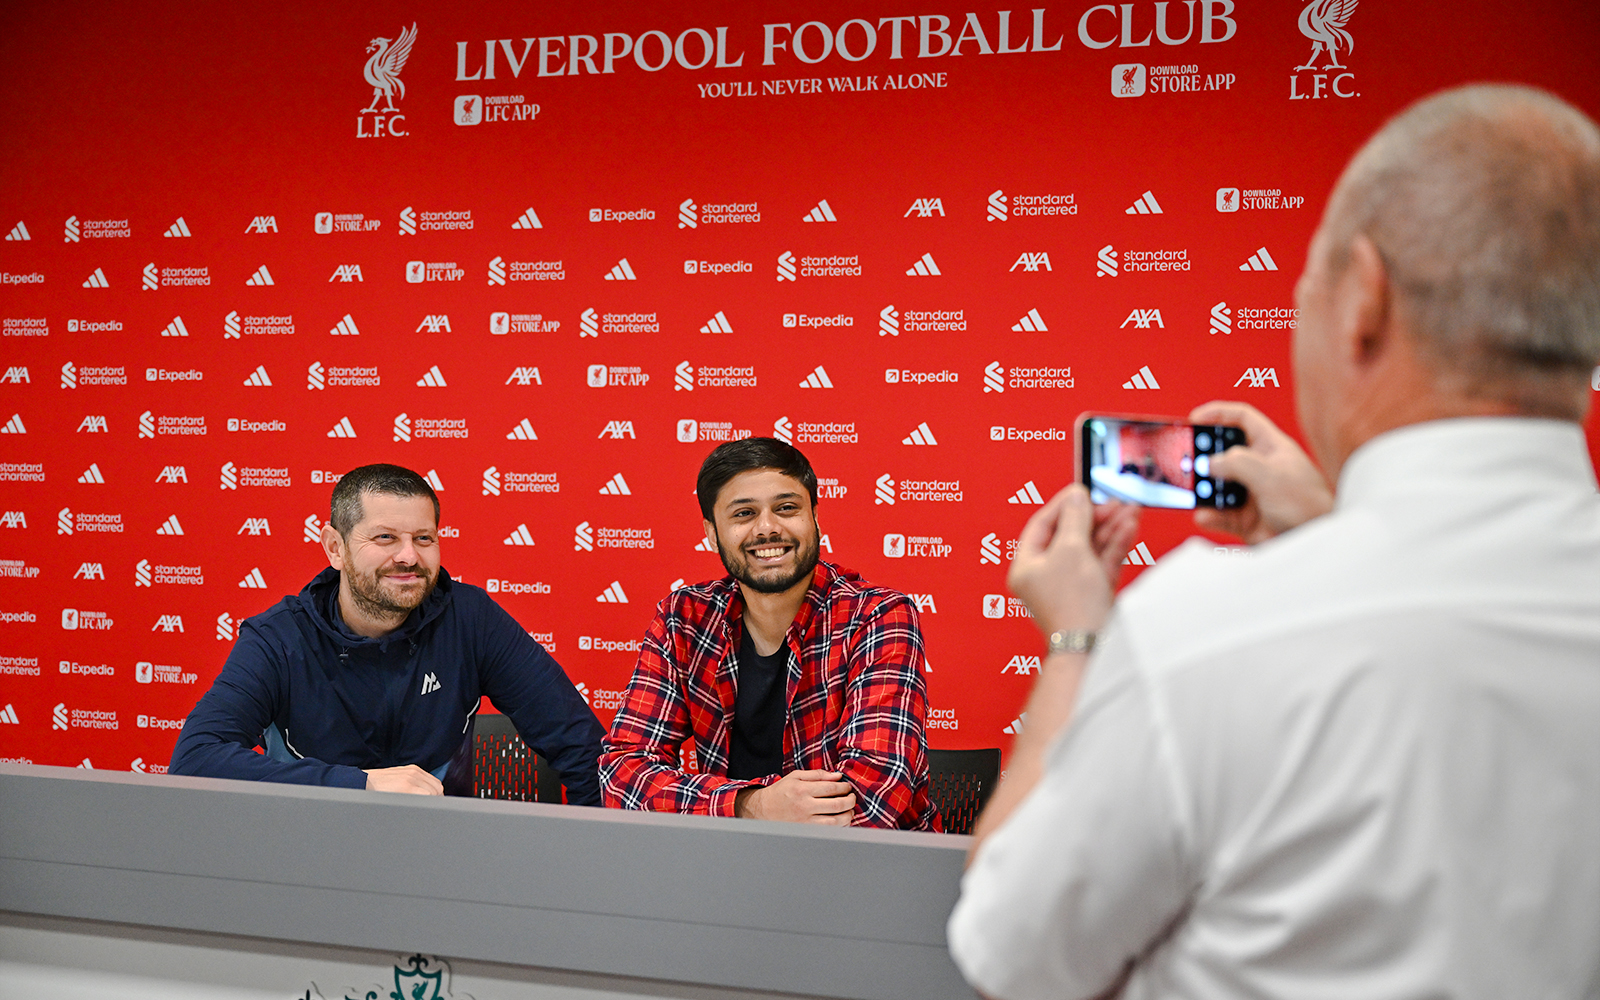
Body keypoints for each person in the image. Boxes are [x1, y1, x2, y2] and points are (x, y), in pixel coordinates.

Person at [948, 83, 1600, 998]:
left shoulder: (1207, 627)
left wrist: (1076, 641)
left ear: (1362, 299)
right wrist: (1333, 522)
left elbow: (1012, 957)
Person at [171, 463, 605, 801]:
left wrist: (597, 858)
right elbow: (195, 760)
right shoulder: (278, 638)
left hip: (438, 859)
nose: (407, 556)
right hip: (305, 853)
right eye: (384, 537)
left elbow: (582, 747)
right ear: (335, 548)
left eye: (424, 538)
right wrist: (358, 785)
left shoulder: (471, 619)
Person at [600, 438, 940, 830]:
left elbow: (877, 796)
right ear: (712, 533)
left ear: (814, 517)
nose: (768, 528)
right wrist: (754, 806)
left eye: (787, 508)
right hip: (731, 863)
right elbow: (623, 774)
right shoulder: (685, 619)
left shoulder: (876, 616)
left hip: (863, 870)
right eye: (744, 513)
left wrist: (739, 812)